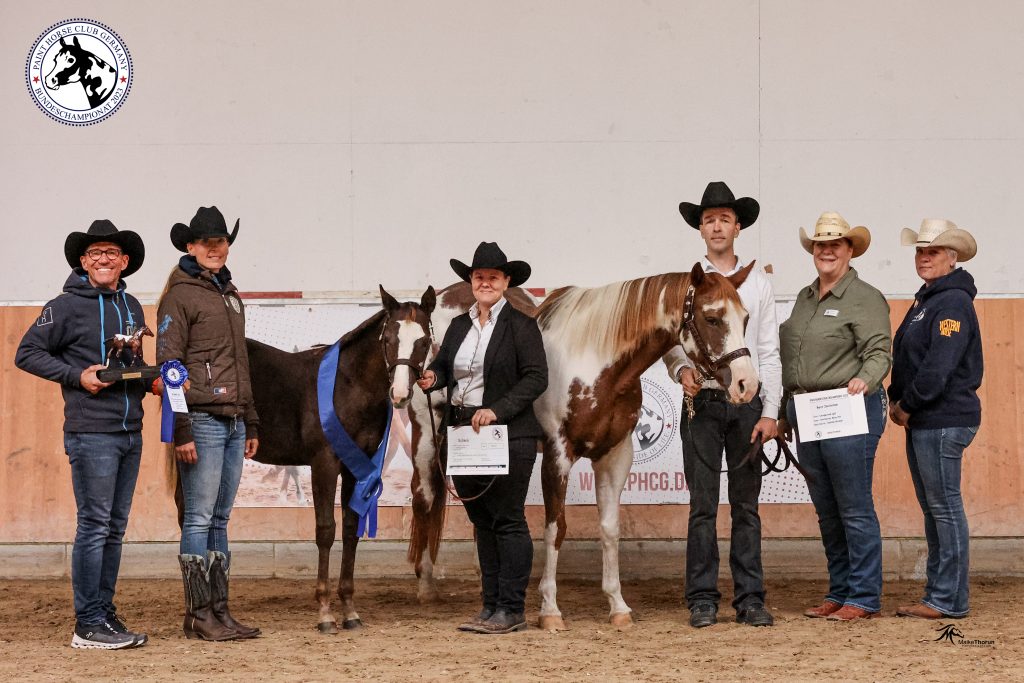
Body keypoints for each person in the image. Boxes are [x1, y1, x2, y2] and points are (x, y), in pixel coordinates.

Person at [16, 220, 149, 649]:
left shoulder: (132, 306)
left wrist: (152, 381)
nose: (103, 259)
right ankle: (87, 624)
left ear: (124, 261)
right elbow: (26, 353)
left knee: (114, 529)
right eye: (95, 253)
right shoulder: (64, 307)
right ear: (83, 262)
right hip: (92, 432)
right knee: (94, 526)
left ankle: (103, 614)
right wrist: (77, 376)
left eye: (111, 253)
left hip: (130, 431)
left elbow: (129, 364)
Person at [665, 181, 781, 628]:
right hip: (704, 403)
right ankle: (701, 597)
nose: (717, 226)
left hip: (747, 403)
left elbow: (768, 350)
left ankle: (751, 597)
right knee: (703, 505)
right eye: (709, 219)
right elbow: (671, 342)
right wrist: (682, 370)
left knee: (746, 506)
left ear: (737, 228)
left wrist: (770, 411)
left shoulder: (759, 284)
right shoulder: (686, 285)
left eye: (725, 219)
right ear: (700, 228)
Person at [416, 242, 548, 634]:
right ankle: (491, 606)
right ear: (471, 282)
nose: (485, 283)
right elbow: (444, 366)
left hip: (509, 434)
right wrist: (434, 377)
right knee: (483, 521)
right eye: (479, 277)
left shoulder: (522, 326)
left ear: (506, 282)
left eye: (493, 277)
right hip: (463, 433)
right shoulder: (459, 326)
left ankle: (512, 608)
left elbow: (536, 378)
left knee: (507, 520)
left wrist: (497, 409)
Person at [778, 212, 892, 621]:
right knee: (827, 509)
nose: (826, 251)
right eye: (820, 244)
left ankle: (863, 596)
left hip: (849, 407)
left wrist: (866, 378)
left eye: (835, 244)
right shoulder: (805, 297)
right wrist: (784, 413)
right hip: (808, 411)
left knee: (854, 506)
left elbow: (879, 351)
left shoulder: (865, 297)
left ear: (849, 250)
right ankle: (840, 589)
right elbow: (793, 361)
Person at [156, 206, 260, 640]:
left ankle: (219, 610)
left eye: (221, 241)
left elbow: (241, 364)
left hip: (233, 420)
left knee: (219, 518)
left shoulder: (230, 296)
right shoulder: (180, 297)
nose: (215, 248)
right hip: (200, 419)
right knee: (199, 518)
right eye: (207, 242)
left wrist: (250, 419)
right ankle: (199, 613)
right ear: (191, 246)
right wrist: (181, 428)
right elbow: (170, 365)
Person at [889, 219, 982, 619]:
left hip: (941, 417)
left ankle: (949, 599)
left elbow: (938, 366)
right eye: (920, 251)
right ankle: (939, 594)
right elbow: (911, 359)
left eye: (933, 252)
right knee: (936, 508)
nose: (924, 258)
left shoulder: (952, 302)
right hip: (928, 418)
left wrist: (906, 404)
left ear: (952, 257)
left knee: (943, 508)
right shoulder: (929, 300)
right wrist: (898, 398)